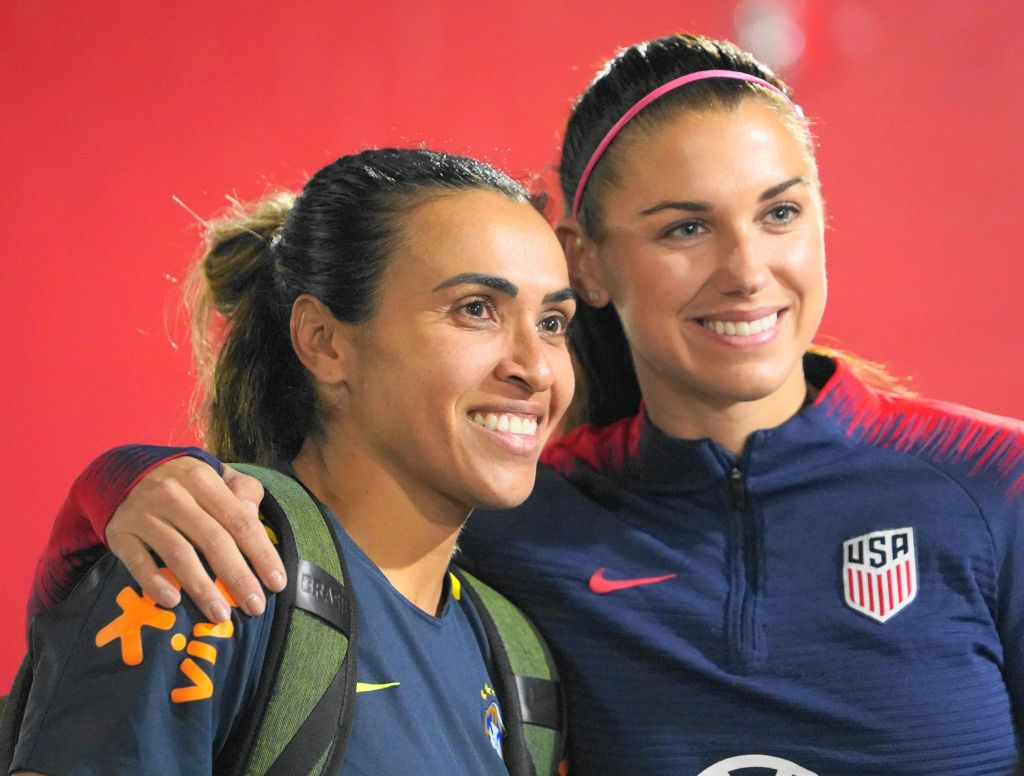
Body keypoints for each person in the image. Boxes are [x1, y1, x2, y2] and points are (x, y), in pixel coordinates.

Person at [30, 34, 1024, 775]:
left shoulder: (995, 486)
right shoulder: (499, 519)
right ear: (588, 258)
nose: (747, 268)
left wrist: (107, 494)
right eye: (683, 226)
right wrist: (111, 495)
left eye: (781, 210)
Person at [11, 148, 577, 775]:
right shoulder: (212, 567)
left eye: (553, 321)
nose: (537, 367)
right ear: (325, 341)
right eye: (476, 309)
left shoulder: (517, 660)